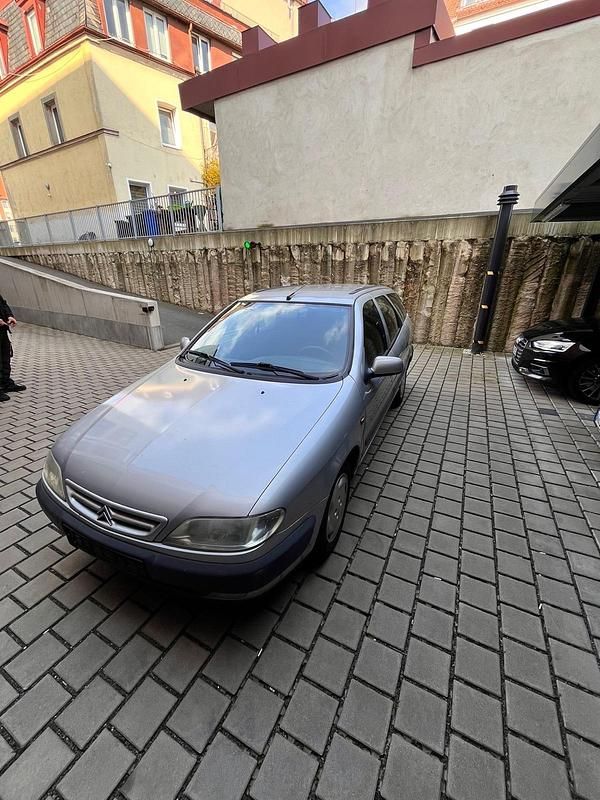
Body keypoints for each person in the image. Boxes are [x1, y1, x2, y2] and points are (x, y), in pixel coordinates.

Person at [0, 293, 26, 402]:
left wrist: (9, 316)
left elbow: (3, 304)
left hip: (2, 329)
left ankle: (5, 382)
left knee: (5, 357)